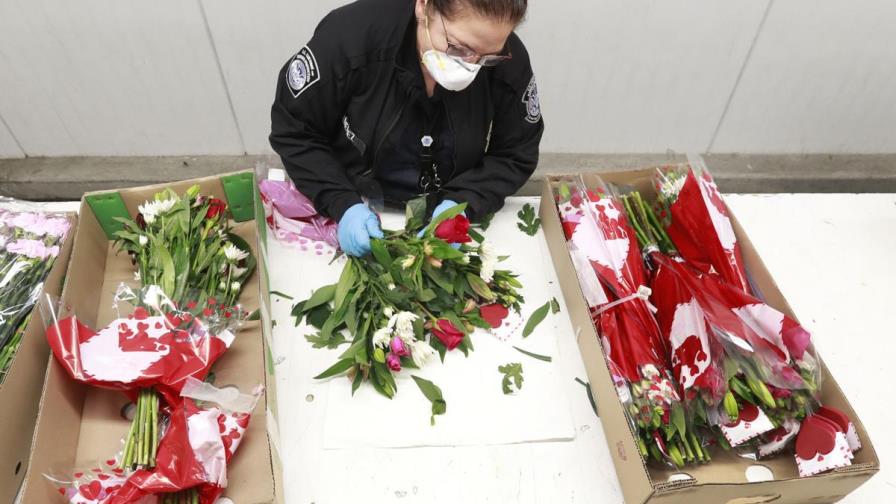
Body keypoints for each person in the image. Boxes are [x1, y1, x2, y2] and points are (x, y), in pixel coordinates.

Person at [270, 0, 543, 256]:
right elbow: (295, 130)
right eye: (459, 49)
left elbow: (516, 153)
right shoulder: (350, 39)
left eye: (487, 59)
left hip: (443, 203)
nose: (470, 67)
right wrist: (341, 201)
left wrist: (464, 202)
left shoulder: (508, 58)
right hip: (356, 198)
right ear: (424, 6)